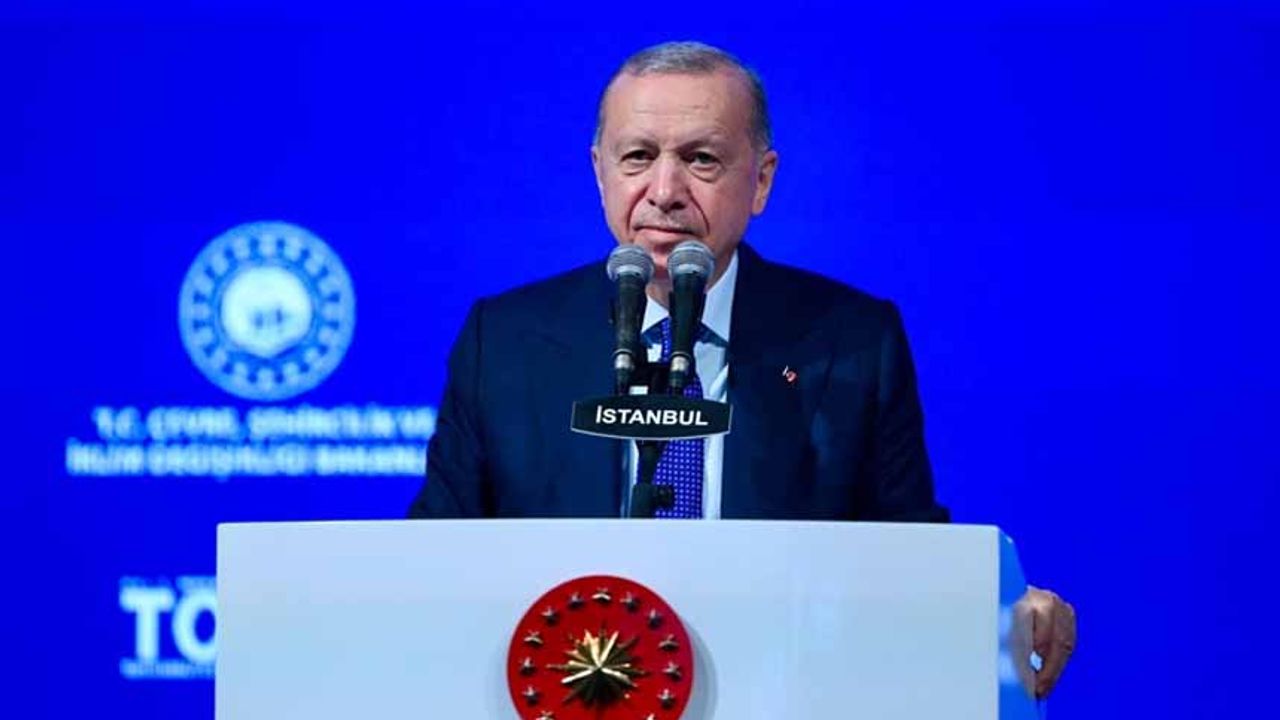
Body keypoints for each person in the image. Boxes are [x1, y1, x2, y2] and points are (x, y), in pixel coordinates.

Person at [408, 41, 1076, 697]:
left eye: (700, 159)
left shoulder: (850, 341)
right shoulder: (506, 340)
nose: (664, 191)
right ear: (599, 172)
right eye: (638, 157)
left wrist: (1002, 612)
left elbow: (908, 558)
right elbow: (431, 563)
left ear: (761, 180)